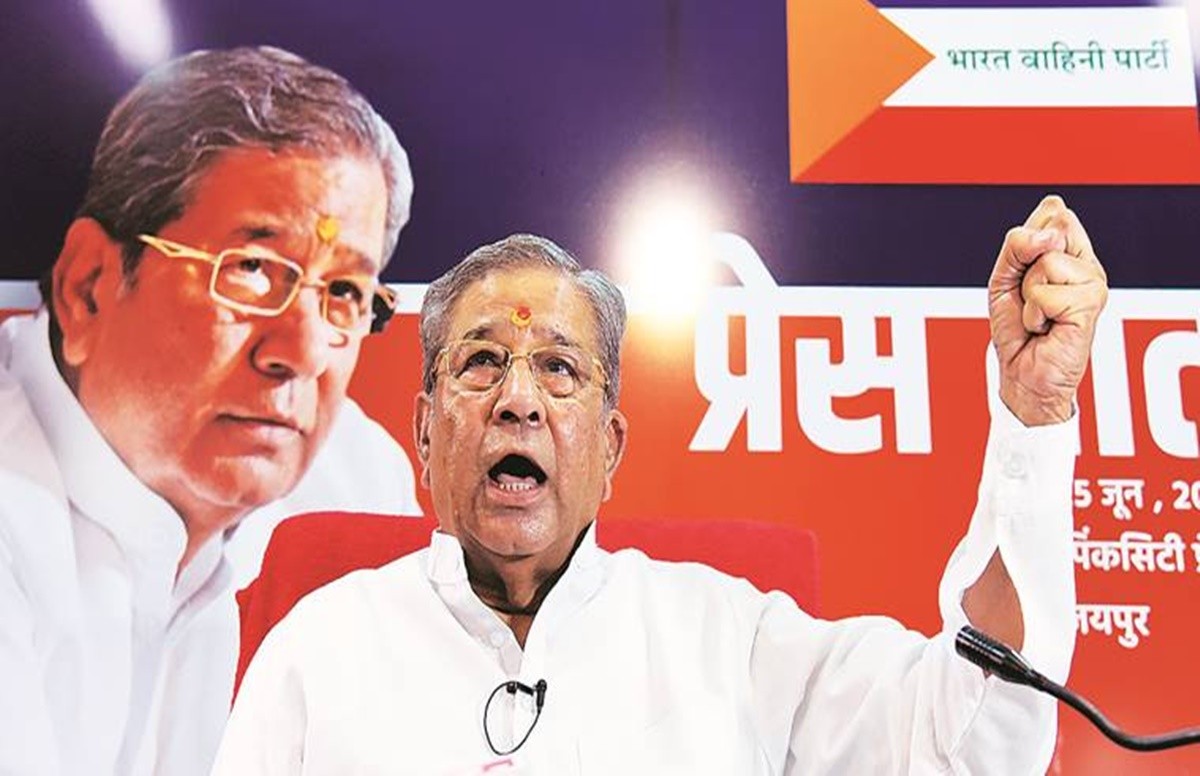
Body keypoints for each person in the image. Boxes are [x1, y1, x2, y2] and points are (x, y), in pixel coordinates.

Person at [213, 195, 1108, 774]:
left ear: (610, 448)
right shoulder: (318, 650)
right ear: (422, 432)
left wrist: (1031, 416)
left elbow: (961, 736)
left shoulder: (730, 639)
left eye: (559, 369)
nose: (518, 399)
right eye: (481, 362)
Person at [0, 46, 422, 776]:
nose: (302, 352)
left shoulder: (358, 487)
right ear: (88, 288)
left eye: (344, 294)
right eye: (252, 270)